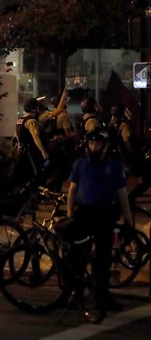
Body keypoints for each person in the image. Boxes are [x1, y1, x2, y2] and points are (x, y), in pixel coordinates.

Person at [67, 128, 132, 312]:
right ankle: (76, 294)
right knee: (78, 256)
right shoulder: (80, 164)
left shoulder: (114, 166)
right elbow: (72, 190)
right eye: (91, 142)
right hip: (84, 215)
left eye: (98, 143)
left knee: (103, 259)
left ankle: (102, 297)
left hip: (104, 216)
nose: (94, 146)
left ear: (104, 145)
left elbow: (122, 194)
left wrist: (127, 219)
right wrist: (70, 213)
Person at [13, 98, 50, 185]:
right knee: (37, 174)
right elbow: (36, 137)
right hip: (31, 153)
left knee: (26, 175)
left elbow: (16, 136)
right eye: (37, 106)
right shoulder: (32, 121)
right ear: (34, 108)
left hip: (22, 152)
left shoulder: (20, 120)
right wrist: (44, 153)